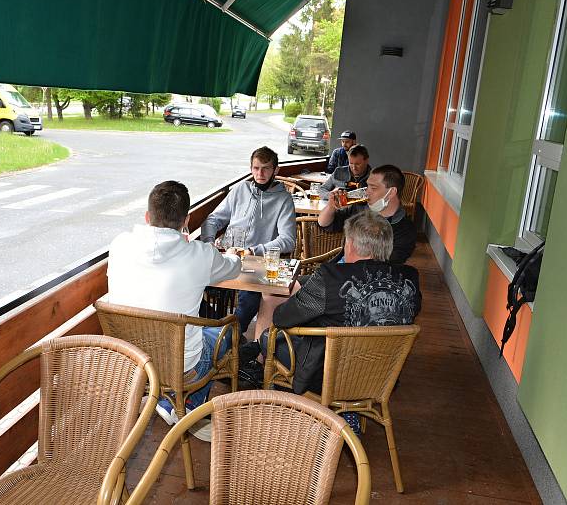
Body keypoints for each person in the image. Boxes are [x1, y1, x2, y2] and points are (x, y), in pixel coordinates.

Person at [107, 180, 241, 440]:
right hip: (180, 367)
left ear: (147, 216)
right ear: (186, 220)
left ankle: (170, 403)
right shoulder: (200, 254)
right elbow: (232, 268)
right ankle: (186, 406)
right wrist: (233, 254)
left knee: (194, 331)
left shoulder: (120, 244)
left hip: (130, 360)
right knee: (227, 333)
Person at [264, 210, 422, 398]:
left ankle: (297, 407)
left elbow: (282, 318)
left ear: (351, 244)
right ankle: (351, 410)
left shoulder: (330, 277)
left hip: (327, 376)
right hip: (381, 375)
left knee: (268, 338)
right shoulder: (410, 278)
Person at [201, 147, 296, 334]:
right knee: (195, 283)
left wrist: (255, 250)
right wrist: (208, 243)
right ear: (251, 168)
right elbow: (213, 219)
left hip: (256, 261)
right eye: (256, 168)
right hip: (228, 254)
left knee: (250, 296)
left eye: (266, 168)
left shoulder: (284, 199)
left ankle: (232, 334)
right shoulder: (240, 189)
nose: (260, 173)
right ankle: (219, 330)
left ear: (276, 170)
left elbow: (288, 239)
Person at [318, 164, 416, 265]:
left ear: (391, 192)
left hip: (359, 277)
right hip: (338, 267)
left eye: (373, 188)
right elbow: (324, 224)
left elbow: (386, 267)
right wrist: (331, 207)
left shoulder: (405, 229)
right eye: (367, 186)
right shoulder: (359, 208)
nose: (367, 192)